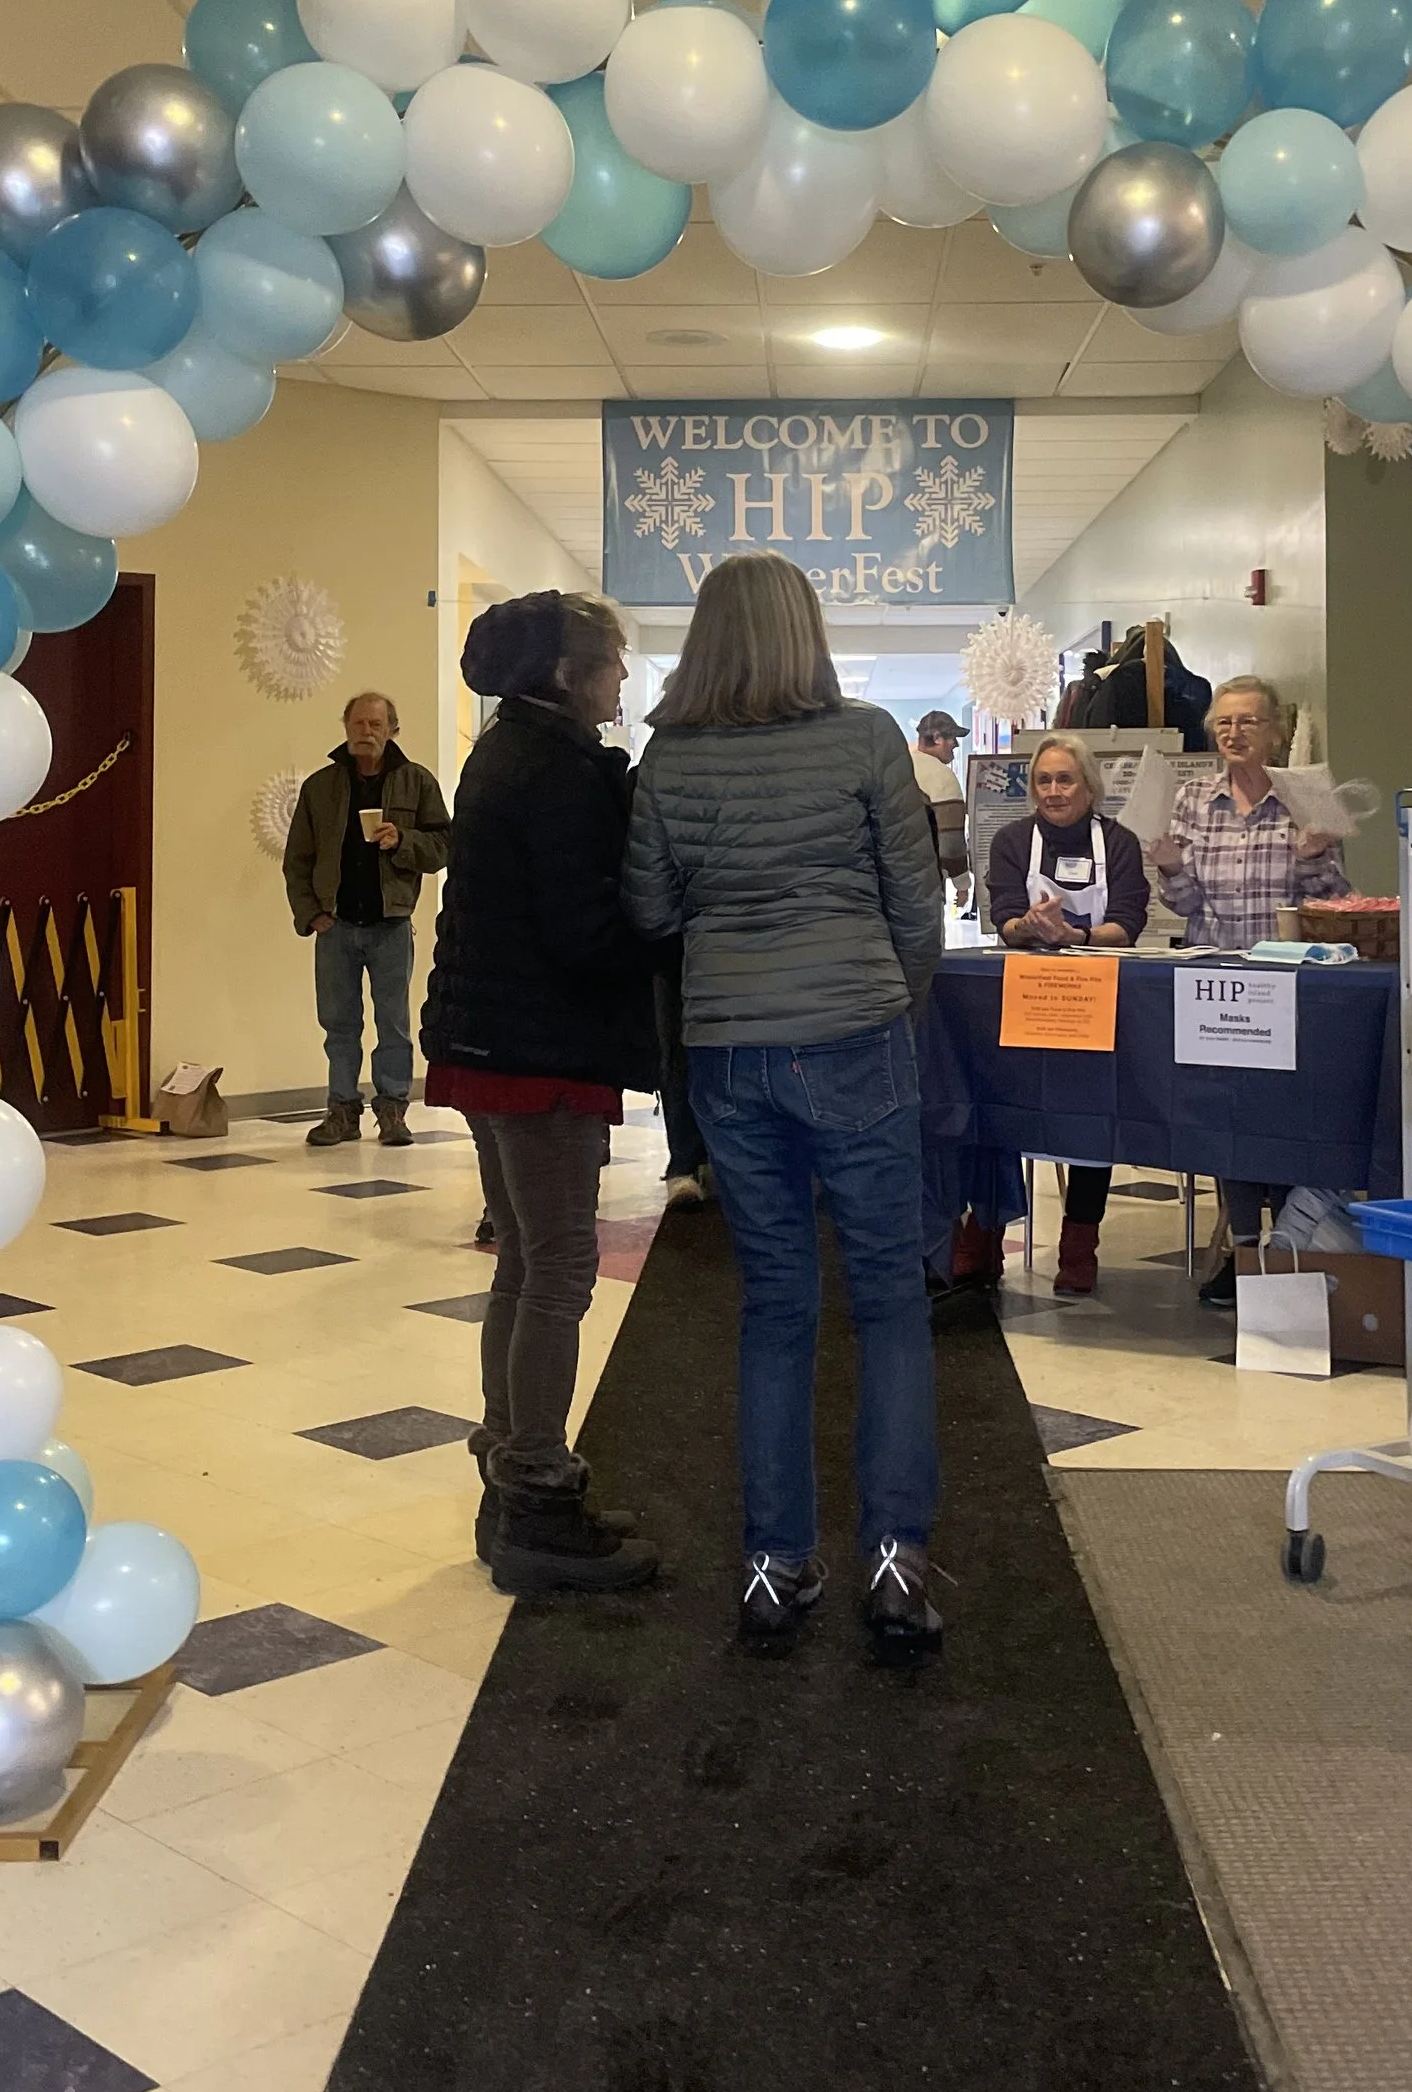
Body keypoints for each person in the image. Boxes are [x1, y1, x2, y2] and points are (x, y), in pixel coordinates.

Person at [623, 554, 946, 1662]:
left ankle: (772, 1565)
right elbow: (918, 904)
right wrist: (888, 1003)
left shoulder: (670, 756)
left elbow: (650, 907)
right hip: (854, 1034)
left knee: (775, 1304)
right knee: (890, 1300)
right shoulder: (865, 739)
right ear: (806, 631)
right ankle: (895, 1564)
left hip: (726, 1047)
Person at [421, 593, 659, 1596]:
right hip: (540, 1049)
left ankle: (509, 1462)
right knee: (559, 1266)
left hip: (487, 1038)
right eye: (609, 662)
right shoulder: (560, 774)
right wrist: (668, 936)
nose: (620, 680)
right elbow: (584, 934)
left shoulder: (500, 753)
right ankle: (537, 1491)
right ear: (564, 673)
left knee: (524, 1258)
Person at [1150, 673, 1352, 1308]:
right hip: (1215, 985)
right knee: (1225, 1119)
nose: (1234, 733)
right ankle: (1241, 1255)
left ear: (1277, 731)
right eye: (1224, 722)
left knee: (1285, 1116)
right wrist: (1172, 871)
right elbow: (1183, 905)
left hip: (1289, 987)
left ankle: (1287, 1247)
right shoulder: (1189, 801)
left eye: (1249, 721)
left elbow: (1337, 903)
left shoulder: (1306, 800)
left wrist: (1316, 855)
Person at [985, 734, 1148, 1300]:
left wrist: (1074, 935)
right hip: (1027, 993)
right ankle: (983, 1231)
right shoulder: (1011, 841)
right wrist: (1030, 928)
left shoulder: (1119, 843)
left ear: (1089, 786)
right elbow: (1002, 916)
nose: (1053, 792)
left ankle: (1081, 1242)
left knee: (1091, 1116)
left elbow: (1127, 923)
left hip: (1095, 996)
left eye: (1065, 780)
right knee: (996, 1104)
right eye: (1044, 781)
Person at [283, 690, 450, 1149]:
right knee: (339, 1024)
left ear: (393, 730)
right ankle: (340, 1111)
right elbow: (297, 858)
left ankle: (393, 1111)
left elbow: (444, 846)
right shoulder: (321, 787)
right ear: (345, 727)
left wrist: (404, 841)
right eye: (358, 723)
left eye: (376, 725)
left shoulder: (417, 782)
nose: (366, 732)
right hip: (335, 926)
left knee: (393, 1023)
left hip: (392, 925)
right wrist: (311, 913)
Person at [1078, 618, 1212, 747]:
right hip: (1186, 757)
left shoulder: (1113, 681)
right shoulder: (1194, 686)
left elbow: (1097, 724)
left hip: (1120, 755)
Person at [911, 709, 972, 909]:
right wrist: (962, 884)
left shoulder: (900, 765)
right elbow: (951, 841)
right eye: (952, 737)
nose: (956, 744)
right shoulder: (941, 776)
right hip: (926, 881)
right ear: (937, 738)